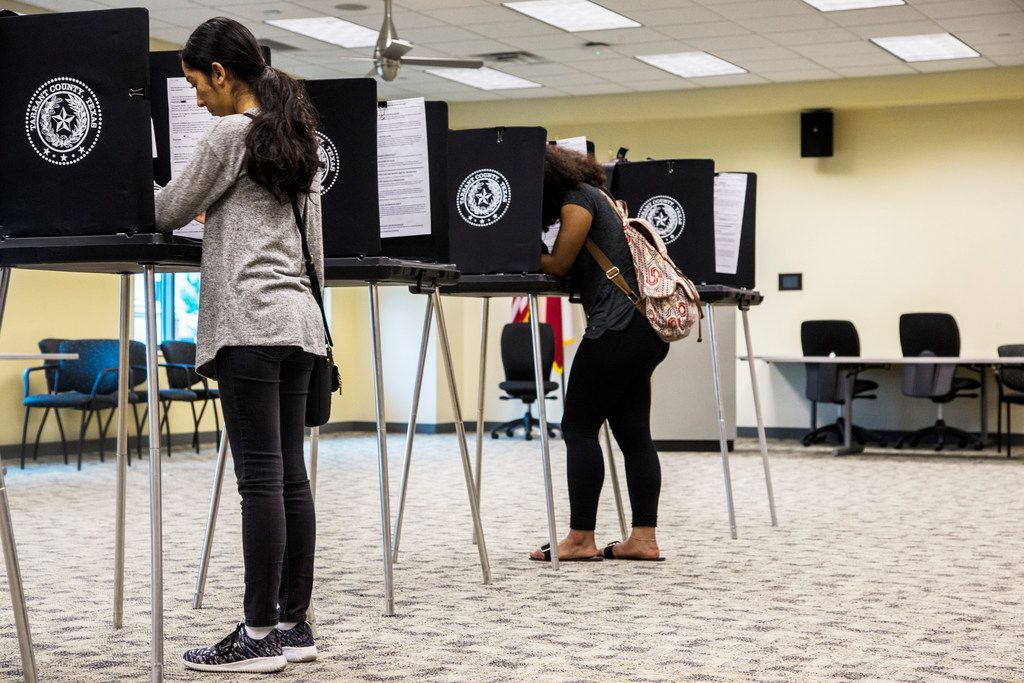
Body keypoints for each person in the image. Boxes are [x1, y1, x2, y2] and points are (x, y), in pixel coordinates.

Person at [153, 17, 325, 673]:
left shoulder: (230, 132)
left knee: (259, 480)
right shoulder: (296, 137)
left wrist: (113, 184)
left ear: (221, 75)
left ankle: (256, 636)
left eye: (197, 83)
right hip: (298, 322)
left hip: (250, 323)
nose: (196, 97)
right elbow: (314, 249)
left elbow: (167, 209)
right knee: (288, 475)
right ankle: (292, 624)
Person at [529, 145, 669, 563]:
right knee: (633, 435)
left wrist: (504, 248)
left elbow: (558, 264)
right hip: (645, 330)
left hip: (616, 328)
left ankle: (580, 538)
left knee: (578, 429)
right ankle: (643, 539)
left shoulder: (578, 201)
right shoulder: (601, 196)